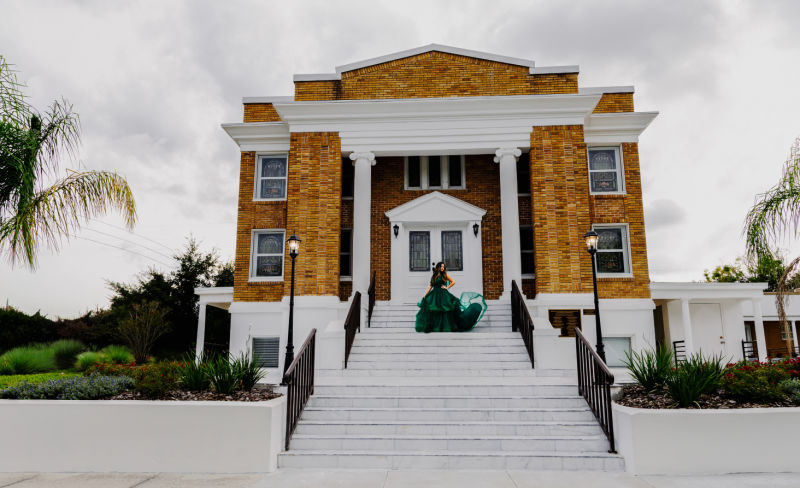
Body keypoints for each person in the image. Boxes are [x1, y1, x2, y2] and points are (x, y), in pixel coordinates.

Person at [415, 262, 487, 333]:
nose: (442, 268)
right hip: (434, 295)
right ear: (438, 267)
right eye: (441, 266)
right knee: (435, 310)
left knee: (445, 310)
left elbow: (453, 282)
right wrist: (425, 294)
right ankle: (435, 327)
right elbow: (430, 286)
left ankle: (445, 327)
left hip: (443, 294)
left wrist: (446, 287)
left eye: (443, 267)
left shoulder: (445, 275)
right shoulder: (434, 276)